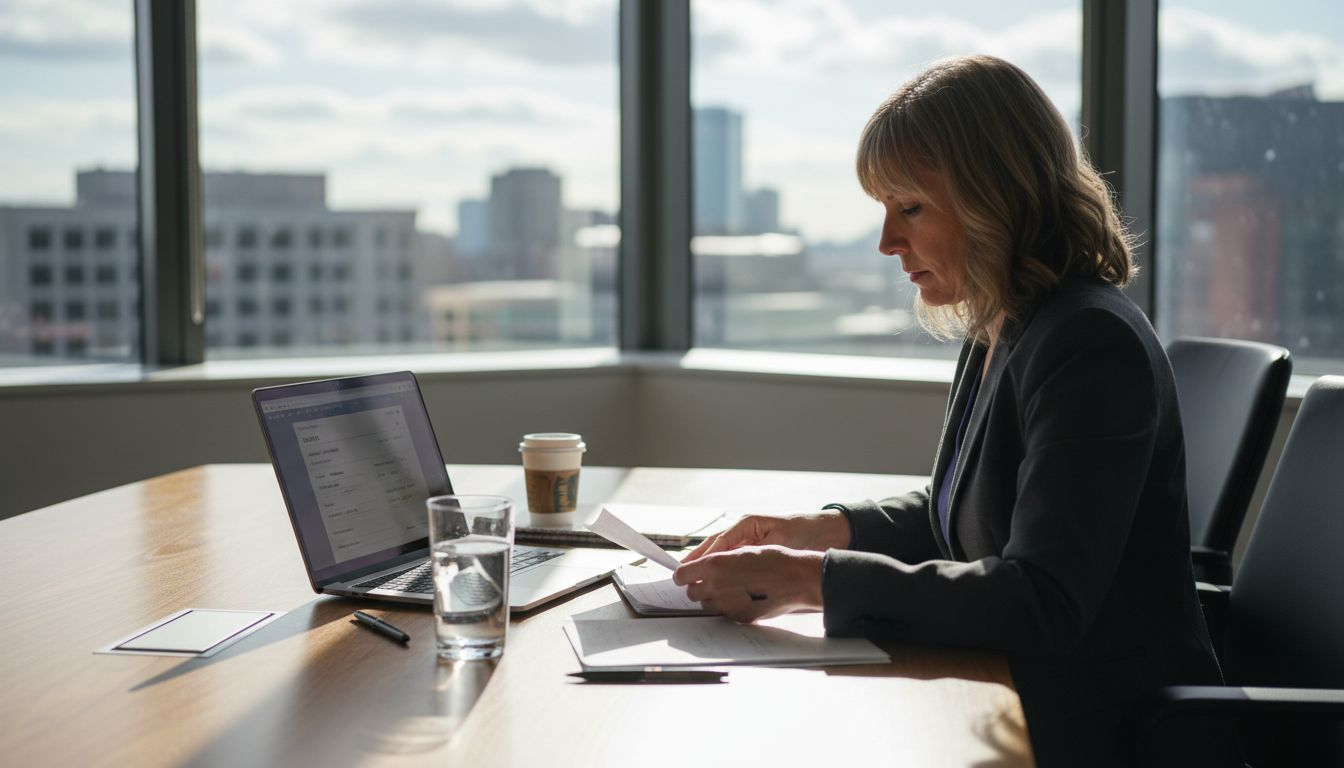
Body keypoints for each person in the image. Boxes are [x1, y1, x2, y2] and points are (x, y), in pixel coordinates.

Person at [672, 55, 1229, 767]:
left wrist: (805, 580)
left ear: (994, 196)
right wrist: (817, 532)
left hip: (1099, 729)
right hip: (1015, 699)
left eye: (910, 208)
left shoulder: (1090, 342)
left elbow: (1043, 601)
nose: (887, 243)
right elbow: (963, 515)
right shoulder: (1006, 321)